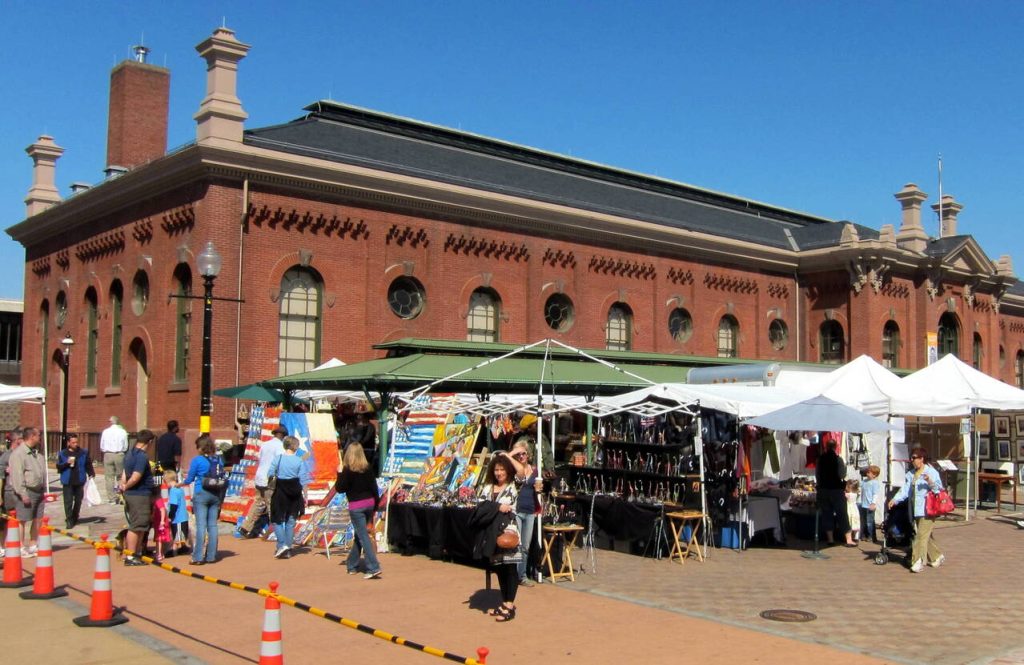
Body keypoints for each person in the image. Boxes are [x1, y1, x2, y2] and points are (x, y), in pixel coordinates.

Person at [470, 454, 521, 622]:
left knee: (510, 567)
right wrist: (498, 507)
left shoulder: (513, 487)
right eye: (496, 469)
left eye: (502, 470)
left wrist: (508, 455)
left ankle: (509, 604)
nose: (499, 473)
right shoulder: (487, 488)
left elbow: (521, 472)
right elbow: (481, 507)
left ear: (508, 472)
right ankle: (504, 601)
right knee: (499, 567)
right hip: (491, 533)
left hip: (508, 531)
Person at [888, 447, 945, 573]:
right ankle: (937, 556)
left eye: (914, 458)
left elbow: (939, 490)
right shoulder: (911, 474)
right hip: (915, 509)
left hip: (928, 509)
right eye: (911, 458)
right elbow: (905, 490)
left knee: (920, 536)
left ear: (921, 459)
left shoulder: (931, 472)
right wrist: (895, 499)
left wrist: (929, 481)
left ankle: (918, 561)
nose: (912, 460)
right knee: (924, 535)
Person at [335, 442, 381, 577]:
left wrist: (339, 474)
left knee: (363, 536)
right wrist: (375, 506)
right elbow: (374, 489)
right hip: (369, 503)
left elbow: (339, 489)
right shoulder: (367, 469)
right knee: (359, 535)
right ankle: (352, 564)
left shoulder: (347, 470)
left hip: (357, 506)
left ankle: (373, 566)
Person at [181, 436, 226, 565]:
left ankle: (198, 556)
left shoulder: (197, 460)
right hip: (215, 493)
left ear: (200, 448)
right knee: (212, 525)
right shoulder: (218, 460)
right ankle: (211, 555)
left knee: (201, 526)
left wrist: (181, 483)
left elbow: (189, 479)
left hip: (201, 493)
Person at [504, 441, 543, 587]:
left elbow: (538, 488)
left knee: (525, 546)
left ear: (528, 454)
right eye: (519, 454)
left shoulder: (535, 470)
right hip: (517, 510)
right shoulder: (513, 470)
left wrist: (539, 488)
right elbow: (504, 458)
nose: (521, 456)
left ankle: (522, 575)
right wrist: (513, 453)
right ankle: (514, 575)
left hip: (530, 510)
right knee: (516, 544)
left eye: (523, 453)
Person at [239, 424, 286, 538]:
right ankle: (274, 530)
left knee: (258, 503)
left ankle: (246, 527)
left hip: (259, 476)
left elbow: (259, 458)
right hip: (270, 478)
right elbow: (280, 463)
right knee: (272, 504)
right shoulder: (280, 446)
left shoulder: (265, 445)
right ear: (283, 435)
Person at [269, 436, 311, 560]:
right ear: (296, 447)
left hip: (280, 492)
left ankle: (282, 545)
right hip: (295, 492)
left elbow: (270, 473)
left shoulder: (279, 458)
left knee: (277, 520)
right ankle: (288, 547)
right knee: (290, 522)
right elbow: (303, 479)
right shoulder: (299, 461)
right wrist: (306, 495)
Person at [118, 429, 156, 566]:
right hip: (139, 494)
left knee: (141, 526)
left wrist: (123, 484)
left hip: (134, 494)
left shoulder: (130, 453)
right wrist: (126, 486)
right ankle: (130, 556)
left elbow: (124, 473)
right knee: (136, 526)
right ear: (149, 442)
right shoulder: (141, 456)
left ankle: (136, 553)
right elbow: (136, 476)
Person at [8, 427, 46, 556]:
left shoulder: (36, 453)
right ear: (32, 437)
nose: (40, 437)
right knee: (22, 519)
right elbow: (17, 476)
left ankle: (33, 544)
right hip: (27, 491)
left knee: (38, 518)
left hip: (39, 490)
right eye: (38, 435)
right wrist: (22, 494)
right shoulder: (19, 454)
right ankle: (20, 546)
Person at [815, 439, 854, 547]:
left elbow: (817, 475)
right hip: (836, 490)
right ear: (836, 447)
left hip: (823, 489)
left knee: (827, 514)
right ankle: (849, 540)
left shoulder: (820, 459)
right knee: (842, 513)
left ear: (826, 446)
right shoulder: (838, 459)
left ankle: (830, 539)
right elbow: (842, 475)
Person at [56, 433, 95, 528]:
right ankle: (69, 519)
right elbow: (59, 468)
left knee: (78, 500)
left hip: (79, 479)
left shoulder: (83, 452)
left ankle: (75, 515)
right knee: (68, 501)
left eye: (76, 442)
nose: (75, 444)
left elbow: (88, 463)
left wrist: (91, 473)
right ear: (68, 443)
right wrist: (66, 463)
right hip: (67, 480)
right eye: (73, 442)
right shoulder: (62, 453)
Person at [100, 415, 129, 504]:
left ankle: (111, 498)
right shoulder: (123, 432)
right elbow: (125, 446)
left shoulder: (105, 431)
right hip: (119, 454)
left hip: (108, 454)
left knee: (109, 477)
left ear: (110, 422)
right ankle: (121, 496)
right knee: (121, 476)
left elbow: (102, 445)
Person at [516, 413, 554, 478]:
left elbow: (549, 453)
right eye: (536, 424)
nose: (538, 425)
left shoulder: (542, 437)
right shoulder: (522, 442)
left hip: (546, 473)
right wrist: (540, 472)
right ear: (529, 428)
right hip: (531, 476)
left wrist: (550, 469)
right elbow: (523, 463)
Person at [165, 470, 191, 557]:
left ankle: (173, 549)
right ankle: (183, 547)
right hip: (183, 516)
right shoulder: (180, 489)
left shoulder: (173, 491)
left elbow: (173, 505)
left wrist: (170, 516)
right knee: (181, 534)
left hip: (178, 518)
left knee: (176, 534)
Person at [0, 426, 24, 514]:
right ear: (18, 440)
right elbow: (0, 477)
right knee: (9, 521)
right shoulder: (6, 456)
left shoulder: (25, 455)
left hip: (23, 493)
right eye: (24, 439)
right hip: (10, 494)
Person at [859, 465, 882, 543]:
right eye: (867, 472)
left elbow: (875, 494)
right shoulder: (864, 481)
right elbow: (859, 487)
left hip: (870, 505)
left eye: (869, 472)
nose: (867, 473)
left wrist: (873, 503)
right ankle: (864, 535)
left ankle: (871, 536)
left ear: (874, 475)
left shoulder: (874, 483)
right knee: (863, 521)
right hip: (863, 504)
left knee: (870, 522)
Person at [151, 488, 170, 563]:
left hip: (160, 523)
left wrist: (162, 521)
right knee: (159, 539)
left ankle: (159, 553)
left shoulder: (158, 501)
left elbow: (162, 510)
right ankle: (160, 553)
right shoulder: (157, 501)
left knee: (159, 539)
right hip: (157, 521)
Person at [846, 479, 861, 544]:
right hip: (855, 508)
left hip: (849, 508)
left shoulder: (848, 494)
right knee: (856, 522)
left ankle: (850, 536)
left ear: (850, 487)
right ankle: (856, 537)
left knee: (849, 521)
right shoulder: (856, 493)